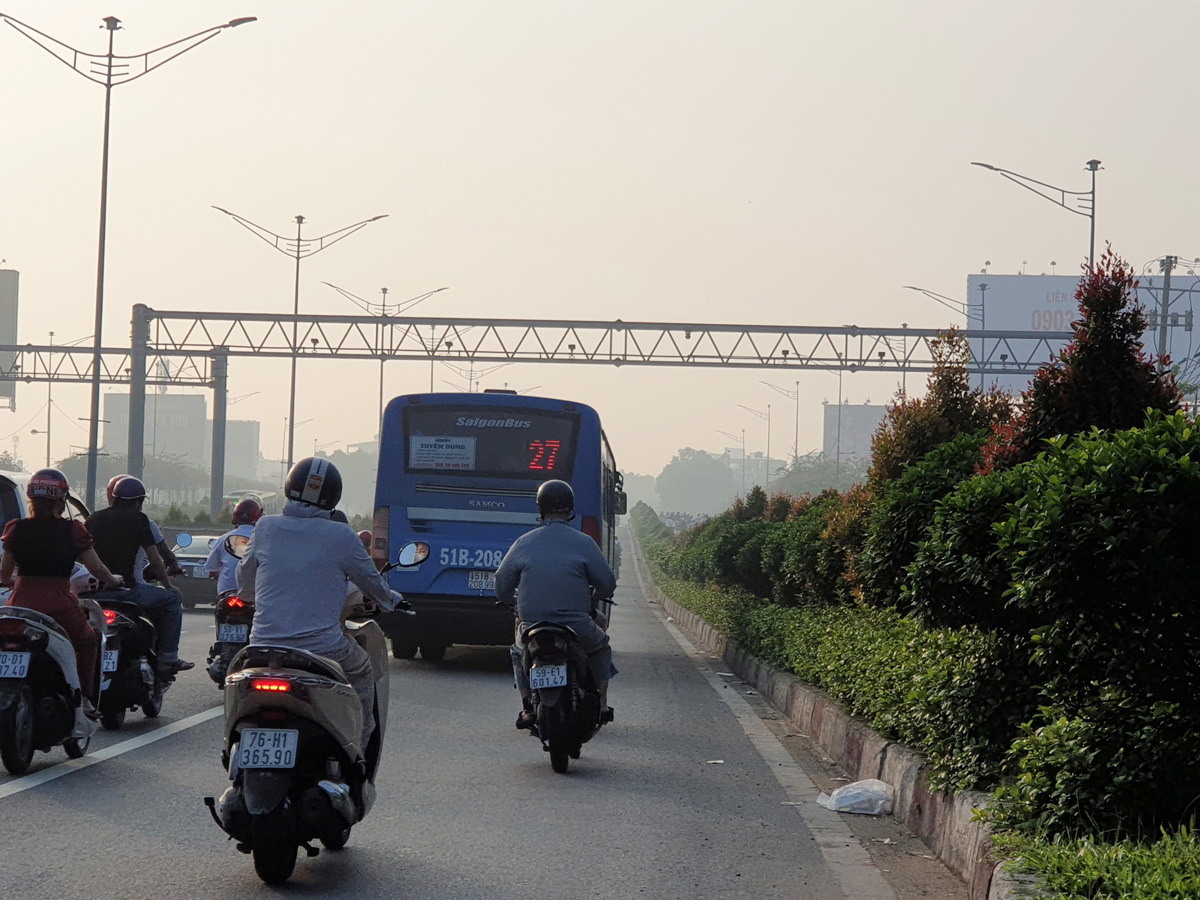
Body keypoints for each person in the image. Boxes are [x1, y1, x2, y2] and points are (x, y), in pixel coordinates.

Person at [236, 458, 397, 751]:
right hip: (323, 650)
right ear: (333, 497)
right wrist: (393, 602)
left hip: (263, 646)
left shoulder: (266, 527)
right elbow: (374, 585)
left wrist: (250, 597)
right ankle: (358, 751)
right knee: (362, 668)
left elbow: (245, 581)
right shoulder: (341, 536)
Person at [0, 469, 124, 717]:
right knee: (88, 641)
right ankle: (85, 700)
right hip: (59, 603)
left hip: (21, 603)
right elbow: (96, 567)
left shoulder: (16, 529)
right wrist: (112, 579)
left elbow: (4, 574)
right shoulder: (73, 530)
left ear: (31, 498)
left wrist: (17, 582)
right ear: (61, 499)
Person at [495, 479, 617, 731]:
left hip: (532, 624)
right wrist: (593, 599)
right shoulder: (584, 543)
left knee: (518, 654)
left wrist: (513, 603)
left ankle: (527, 706)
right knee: (601, 648)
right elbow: (607, 583)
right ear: (570, 508)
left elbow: (501, 582)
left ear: (540, 508)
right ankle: (603, 705)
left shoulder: (524, 542)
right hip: (577, 625)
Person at [85, 476, 193, 676]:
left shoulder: (93, 519)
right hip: (129, 591)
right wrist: (168, 585)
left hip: (95, 593)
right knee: (171, 601)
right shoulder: (140, 520)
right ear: (139, 501)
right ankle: (167, 658)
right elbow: (156, 559)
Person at [206, 496, 263, 594]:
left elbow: (212, 568)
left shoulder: (222, 539)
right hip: (254, 595)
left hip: (226, 593)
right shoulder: (264, 540)